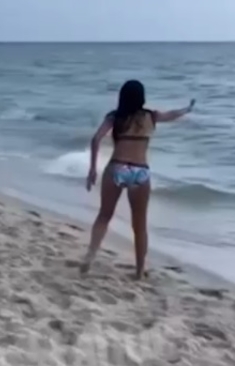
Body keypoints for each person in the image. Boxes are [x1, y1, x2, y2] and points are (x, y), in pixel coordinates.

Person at [82, 79, 195, 280]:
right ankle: (139, 271)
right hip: (140, 171)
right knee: (139, 225)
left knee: (104, 216)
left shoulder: (115, 117)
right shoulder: (151, 116)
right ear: (142, 97)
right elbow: (172, 115)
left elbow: (96, 139)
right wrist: (187, 109)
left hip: (117, 167)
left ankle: (89, 257)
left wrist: (92, 169)